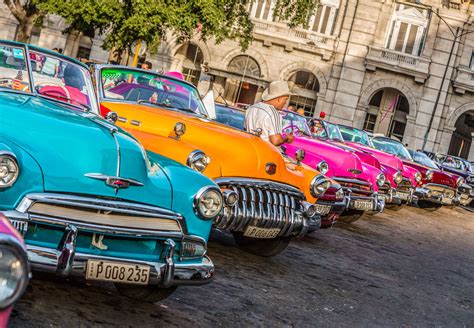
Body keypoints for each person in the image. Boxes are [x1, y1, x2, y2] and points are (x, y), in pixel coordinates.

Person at [245, 80, 294, 146]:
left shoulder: (251, 108)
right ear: (280, 99)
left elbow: (245, 130)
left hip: (249, 147)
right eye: (285, 100)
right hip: (264, 151)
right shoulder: (273, 113)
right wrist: (287, 138)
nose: (285, 103)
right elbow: (276, 141)